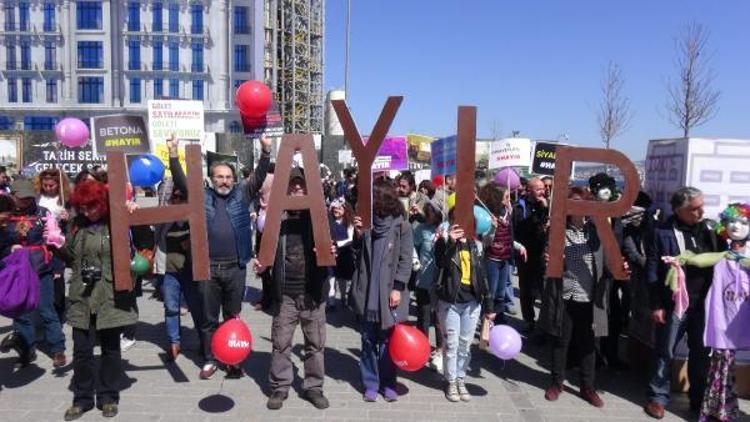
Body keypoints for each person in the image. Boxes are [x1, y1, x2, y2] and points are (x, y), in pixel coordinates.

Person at [168, 134, 271, 379]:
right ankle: (211, 358)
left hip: (235, 267)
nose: (224, 181)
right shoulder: (202, 196)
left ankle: (233, 359)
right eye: (219, 177)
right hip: (208, 267)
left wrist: (266, 151)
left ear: (234, 180)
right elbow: (182, 182)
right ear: (211, 179)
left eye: (227, 177)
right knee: (208, 318)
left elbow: (258, 178)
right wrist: (173, 153)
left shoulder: (241, 194)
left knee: (232, 316)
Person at [538, 187, 627, 408]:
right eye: (573, 202)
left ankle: (588, 387)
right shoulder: (558, 230)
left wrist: (620, 268)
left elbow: (608, 263)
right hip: (565, 296)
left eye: (581, 202)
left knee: (589, 345)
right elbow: (546, 260)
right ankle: (557, 383)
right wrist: (547, 259)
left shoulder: (597, 231)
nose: (577, 206)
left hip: (592, 298)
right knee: (561, 342)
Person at [57, 180, 138, 421]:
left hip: (110, 294)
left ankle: (108, 397)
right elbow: (70, 256)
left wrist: (130, 212)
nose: (87, 212)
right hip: (82, 295)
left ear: (101, 204)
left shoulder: (116, 221)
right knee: (81, 350)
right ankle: (82, 399)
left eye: (92, 207)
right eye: (83, 207)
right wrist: (56, 241)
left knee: (110, 350)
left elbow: (134, 248)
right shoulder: (76, 225)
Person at [255, 167, 335, 410]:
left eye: (301, 184)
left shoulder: (320, 218)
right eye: (293, 184)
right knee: (281, 343)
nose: (297, 188)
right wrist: (260, 265)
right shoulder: (275, 220)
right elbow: (262, 252)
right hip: (285, 293)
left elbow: (334, 248)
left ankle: (313, 387)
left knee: (315, 344)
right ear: (285, 189)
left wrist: (333, 252)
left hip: (313, 292)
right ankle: (280, 387)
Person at [644, 187, 722, 419]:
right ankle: (657, 398)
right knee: (665, 351)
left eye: (702, 206)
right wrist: (656, 304)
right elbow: (652, 271)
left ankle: (699, 402)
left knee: (701, 354)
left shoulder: (710, 229)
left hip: (704, 304)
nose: (701, 212)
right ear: (679, 210)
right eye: (694, 209)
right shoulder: (662, 231)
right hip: (674, 304)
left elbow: (723, 255)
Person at [350, 180, 413, 402]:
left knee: (388, 342)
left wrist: (397, 288)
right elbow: (355, 257)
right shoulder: (366, 222)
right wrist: (357, 235)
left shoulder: (401, 225)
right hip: (368, 291)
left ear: (383, 199)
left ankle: (388, 382)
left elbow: (406, 260)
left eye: (372, 196)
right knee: (367, 339)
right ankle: (370, 383)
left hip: (389, 293)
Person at [0, 178, 66, 368]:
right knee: (20, 311)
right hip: (15, 270)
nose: (26, 201)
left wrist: (57, 268)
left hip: (40, 266)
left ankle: (57, 348)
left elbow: (53, 242)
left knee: (47, 309)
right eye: (21, 198)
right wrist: (9, 249)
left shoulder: (42, 214)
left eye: (29, 198)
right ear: (12, 196)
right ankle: (26, 349)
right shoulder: (4, 215)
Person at [434, 211, 495, 402]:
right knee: (451, 344)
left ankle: (460, 378)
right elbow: (440, 263)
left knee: (465, 345)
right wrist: (450, 243)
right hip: (450, 301)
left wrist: (489, 305)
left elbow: (483, 275)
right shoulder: (443, 242)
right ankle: (451, 381)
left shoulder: (475, 245)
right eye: (456, 222)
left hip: (472, 302)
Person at [153, 184, 204, 361]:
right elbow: (153, 232)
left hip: (190, 270)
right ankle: (174, 342)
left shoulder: (194, 218)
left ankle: (203, 341)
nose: (178, 200)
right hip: (169, 270)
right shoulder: (165, 218)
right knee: (171, 306)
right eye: (175, 197)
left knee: (197, 307)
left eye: (182, 197)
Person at [479, 183, 527, 321]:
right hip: (492, 260)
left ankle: (500, 319)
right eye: (506, 197)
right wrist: (493, 228)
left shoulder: (506, 214)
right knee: (491, 293)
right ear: (498, 198)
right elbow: (486, 242)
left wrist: (519, 247)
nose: (509, 200)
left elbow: (508, 237)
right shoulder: (488, 216)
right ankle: (486, 322)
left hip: (505, 259)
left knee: (501, 294)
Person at [34, 168, 72, 323]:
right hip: (40, 240)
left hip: (57, 242)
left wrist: (68, 217)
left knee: (57, 275)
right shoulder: (37, 198)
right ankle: (41, 307)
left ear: (59, 184)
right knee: (40, 273)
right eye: (45, 185)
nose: (48, 188)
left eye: (51, 185)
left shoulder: (65, 199)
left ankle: (58, 308)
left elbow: (74, 218)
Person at [513, 177, 549, 333]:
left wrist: (546, 211)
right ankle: (529, 319)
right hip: (525, 253)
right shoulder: (519, 207)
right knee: (526, 289)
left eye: (544, 188)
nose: (543, 191)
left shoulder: (548, 205)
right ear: (529, 190)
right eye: (539, 188)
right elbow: (520, 228)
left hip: (542, 252)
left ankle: (544, 322)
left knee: (544, 288)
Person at [413, 200, 445, 371]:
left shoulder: (446, 227)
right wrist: (414, 260)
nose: (428, 215)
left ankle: (440, 350)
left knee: (439, 318)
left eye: (431, 212)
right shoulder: (421, 229)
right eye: (426, 211)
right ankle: (422, 348)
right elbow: (412, 246)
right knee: (423, 316)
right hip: (423, 278)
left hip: (440, 280)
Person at [328, 198, 355, 310]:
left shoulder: (349, 223)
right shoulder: (330, 223)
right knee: (331, 277)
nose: (336, 210)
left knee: (342, 279)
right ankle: (331, 302)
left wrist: (338, 243)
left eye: (339, 208)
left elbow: (350, 239)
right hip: (331, 254)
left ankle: (343, 297)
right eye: (334, 208)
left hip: (344, 254)